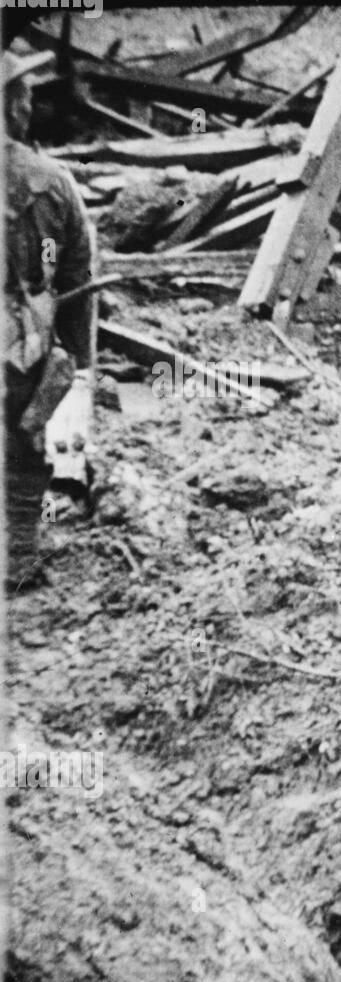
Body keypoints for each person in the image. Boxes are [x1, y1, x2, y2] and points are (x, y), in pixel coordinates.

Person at [3, 50, 94, 593]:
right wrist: (77, 360)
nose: (30, 106)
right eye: (26, 96)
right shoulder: (50, 182)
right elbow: (77, 279)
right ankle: (13, 561)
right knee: (19, 449)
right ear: (12, 108)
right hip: (18, 343)